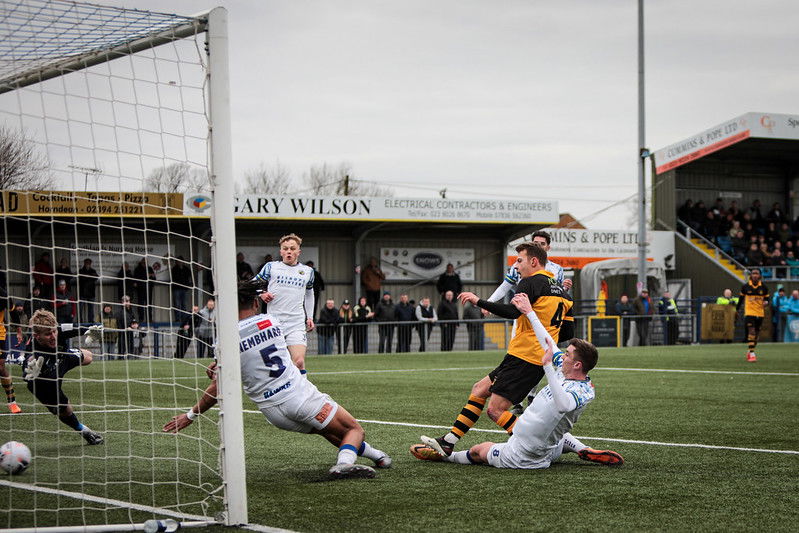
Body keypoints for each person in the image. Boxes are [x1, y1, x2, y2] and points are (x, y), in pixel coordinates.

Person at [162, 281, 391, 479]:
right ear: (255, 303)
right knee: (354, 430)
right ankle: (344, 465)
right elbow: (290, 351)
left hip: (273, 412)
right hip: (298, 397)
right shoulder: (271, 322)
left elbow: (217, 386)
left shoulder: (224, 340)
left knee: (328, 430)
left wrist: (190, 415)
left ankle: (378, 456)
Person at [421, 243, 572, 457]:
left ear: (534, 261)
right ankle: (448, 442)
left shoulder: (530, 282)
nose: (516, 266)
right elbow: (567, 332)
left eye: (519, 260)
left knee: (495, 410)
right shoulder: (563, 293)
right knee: (479, 389)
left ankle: (540, 445)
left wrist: (478, 301)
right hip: (529, 358)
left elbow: (512, 312)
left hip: (525, 358)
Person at [412, 334, 623, 469]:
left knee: (478, 451)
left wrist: (547, 367)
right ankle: (582, 449)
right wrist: (529, 312)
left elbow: (563, 405)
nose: (563, 357)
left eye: (567, 355)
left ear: (577, 365)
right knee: (560, 434)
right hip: (549, 447)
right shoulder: (573, 375)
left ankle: (445, 456)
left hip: (525, 455)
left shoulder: (576, 388)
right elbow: (549, 342)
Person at [22, 309, 103, 444]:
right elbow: (27, 369)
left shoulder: (59, 329)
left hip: (62, 358)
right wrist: (29, 373)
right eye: (48, 334)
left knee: (89, 357)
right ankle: (83, 430)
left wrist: (93, 330)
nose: (53, 336)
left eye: (54, 331)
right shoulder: (32, 349)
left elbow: (81, 327)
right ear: (37, 336)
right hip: (46, 381)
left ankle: (71, 353)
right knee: (66, 410)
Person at [253, 233, 315, 372]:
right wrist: (261, 293)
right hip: (274, 323)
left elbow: (309, 293)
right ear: (281, 251)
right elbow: (251, 284)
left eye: (292, 248)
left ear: (298, 251)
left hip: (296, 323)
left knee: (299, 362)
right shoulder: (271, 267)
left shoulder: (307, 271)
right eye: (285, 248)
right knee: (275, 366)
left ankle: (300, 386)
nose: (289, 251)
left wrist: (310, 317)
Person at [737, 268, 769, 362]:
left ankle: (750, 350)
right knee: (752, 331)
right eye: (753, 273)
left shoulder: (764, 287)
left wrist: (766, 302)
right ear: (750, 275)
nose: (755, 275)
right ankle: (752, 353)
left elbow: (767, 299)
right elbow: (740, 299)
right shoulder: (745, 287)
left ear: (760, 276)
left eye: (757, 273)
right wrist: (737, 310)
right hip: (749, 312)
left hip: (760, 313)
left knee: (757, 334)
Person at [0, 286, 21, 413]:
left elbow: (13, 312)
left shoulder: (3, 294)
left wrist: (18, 331)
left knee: (0, 367)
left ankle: (12, 402)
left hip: (0, 333)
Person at [170, 255, 193, 323]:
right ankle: (177, 319)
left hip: (184, 289)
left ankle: (183, 318)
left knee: (184, 304)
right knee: (177, 304)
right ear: (176, 262)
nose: (180, 262)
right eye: (178, 261)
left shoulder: (186, 269)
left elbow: (190, 277)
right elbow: (174, 278)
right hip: (176, 289)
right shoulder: (174, 269)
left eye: (181, 261)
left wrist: (189, 284)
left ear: (183, 262)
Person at [133, 257, 156, 322]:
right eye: (143, 262)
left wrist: (152, 276)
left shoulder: (150, 268)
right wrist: (147, 275)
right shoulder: (137, 269)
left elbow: (154, 279)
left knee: (149, 305)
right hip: (141, 289)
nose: (144, 263)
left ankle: (149, 319)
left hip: (149, 289)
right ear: (141, 262)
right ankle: (141, 318)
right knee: (141, 305)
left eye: (146, 262)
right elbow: (135, 279)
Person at [77, 258, 99, 323]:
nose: (88, 264)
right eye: (86, 263)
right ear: (84, 263)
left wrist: (87, 277)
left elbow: (96, 277)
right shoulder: (81, 271)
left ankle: (90, 321)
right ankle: (80, 321)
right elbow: (82, 278)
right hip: (83, 293)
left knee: (91, 308)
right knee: (80, 308)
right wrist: (90, 277)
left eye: (89, 263)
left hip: (91, 293)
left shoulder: (93, 270)